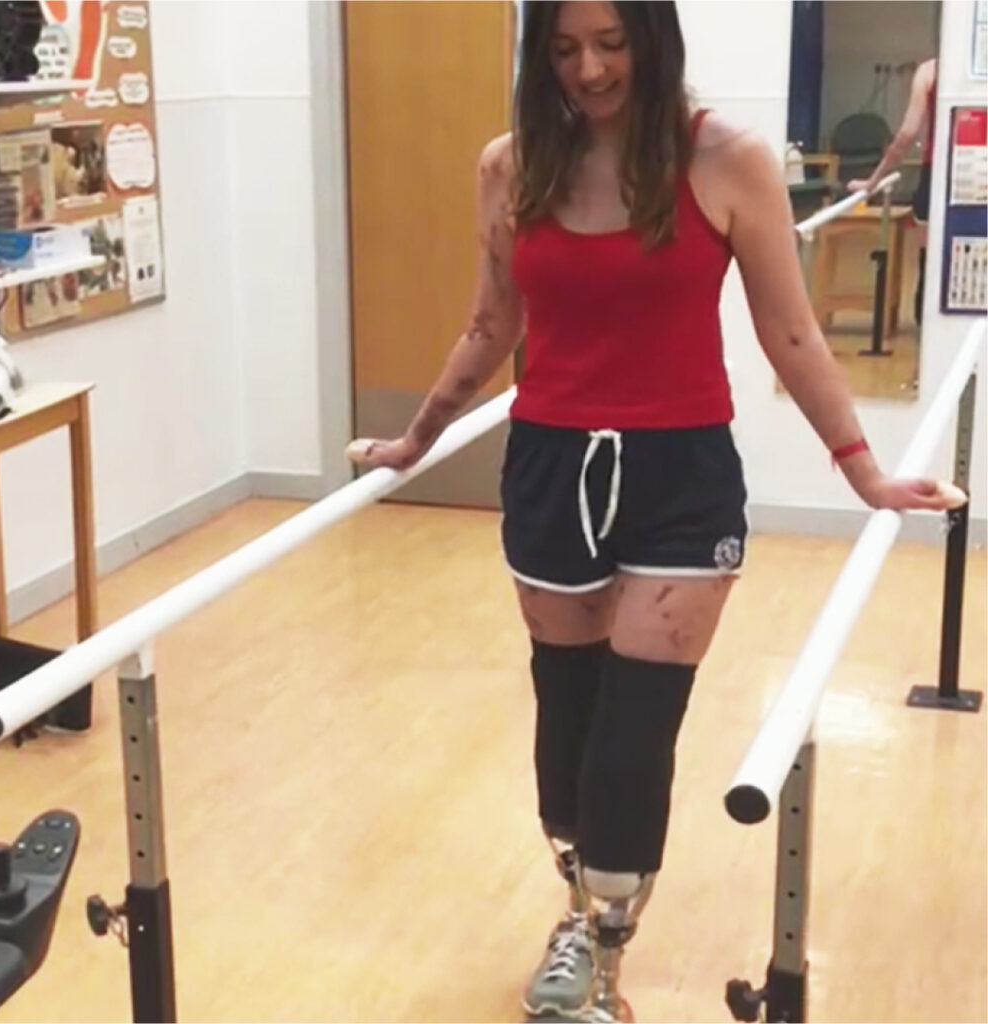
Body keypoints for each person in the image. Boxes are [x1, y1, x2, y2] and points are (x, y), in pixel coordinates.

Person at [348, 4, 957, 1020]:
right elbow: (490, 319)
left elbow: (791, 332)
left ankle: (598, 950)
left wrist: (863, 473)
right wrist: (417, 437)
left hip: (680, 473)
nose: (588, 69)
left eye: (611, 43)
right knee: (567, 733)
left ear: (651, 39)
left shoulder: (722, 157)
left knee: (633, 737)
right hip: (549, 467)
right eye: (563, 47)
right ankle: (584, 909)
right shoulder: (511, 166)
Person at [848, 57, 938, 326]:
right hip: (955, 172)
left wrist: (872, 182)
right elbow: (908, 134)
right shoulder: (928, 72)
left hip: (937, 173)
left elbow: (908, 133)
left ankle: (928, 331)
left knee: (929, 262)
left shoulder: (929, 71)